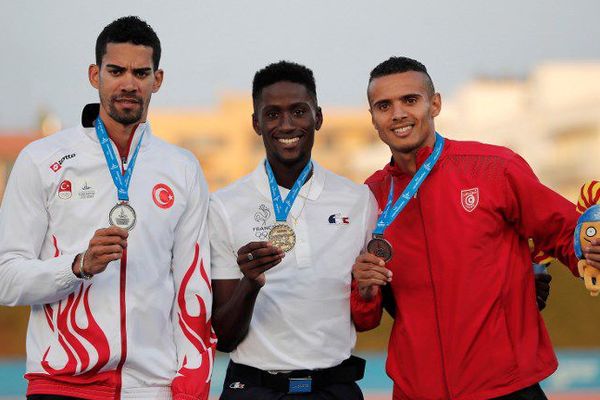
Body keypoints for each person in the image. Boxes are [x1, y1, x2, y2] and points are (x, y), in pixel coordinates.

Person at [350, 56, 600, 400]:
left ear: (434, 104)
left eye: (410, 100)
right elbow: (365, 312)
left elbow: (563, 230)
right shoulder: (369, 196)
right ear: (374, 119)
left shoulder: (495, 168)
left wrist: (587, 249)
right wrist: (364, 290)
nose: (397, 114)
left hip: (505, 386)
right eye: (384, 105)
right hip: (417, 390)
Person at [0, 16, 214, 399]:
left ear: (157, 80)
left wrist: (191, 385)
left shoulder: (182, 168)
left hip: (152, 387)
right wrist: (77, 265)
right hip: (61, 384)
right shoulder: (43, 160)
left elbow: (191, 286)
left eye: (140, 72)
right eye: (115, 70)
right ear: (94, 74)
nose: (128, 83)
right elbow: (6, 278)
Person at [209, 61, 376, 399]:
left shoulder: (358, 200)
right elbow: (224, 337)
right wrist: (250, 283)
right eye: (272, 114)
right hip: (255, 388)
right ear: (256, 123)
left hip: (334, 388)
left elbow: (369, 306)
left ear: (318, 117)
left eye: (298, 111)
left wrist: (370, 288)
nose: (286, 125)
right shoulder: (224, 205)